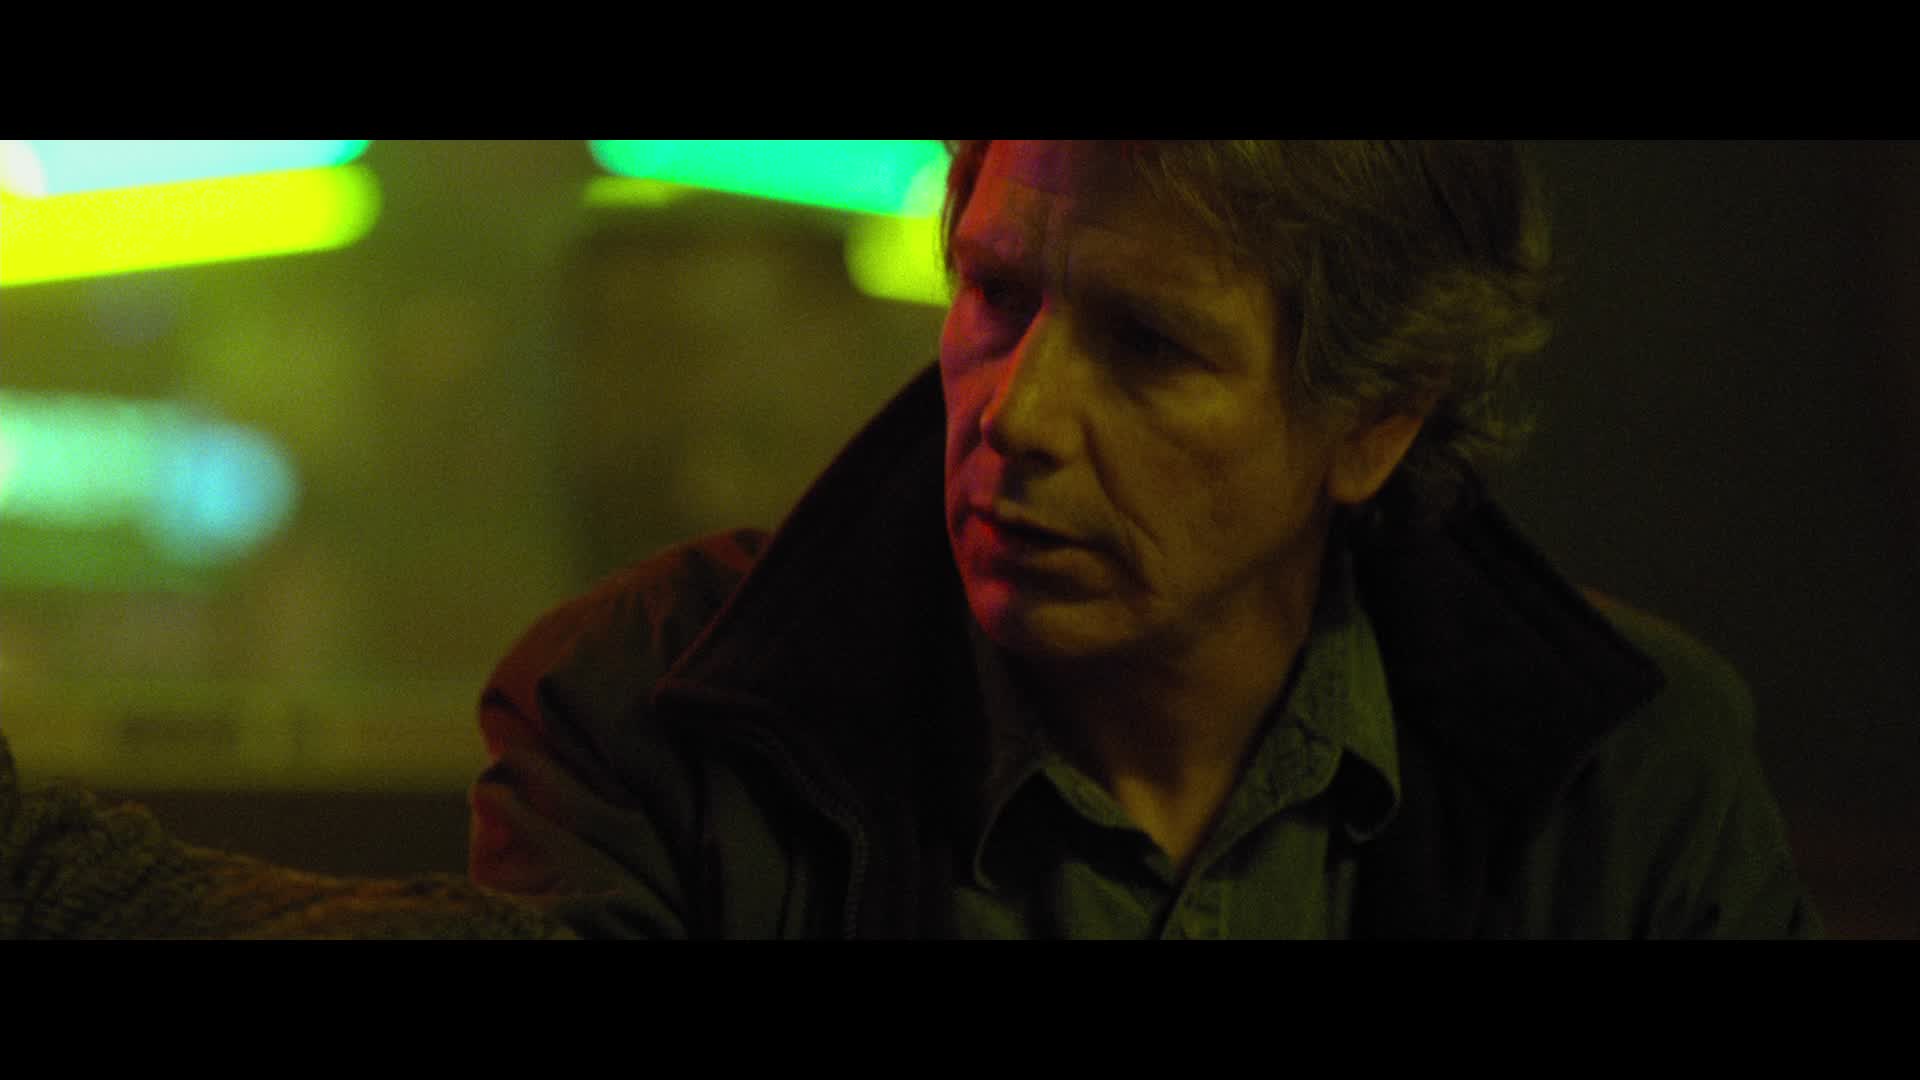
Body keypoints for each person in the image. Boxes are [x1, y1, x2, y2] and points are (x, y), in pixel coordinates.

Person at [467, 140, 1822, 938]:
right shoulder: (645, 721)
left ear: (1373, 423)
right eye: (996, 294)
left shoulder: (1625, 780)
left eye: (1149, 345)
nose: (1021, 414)